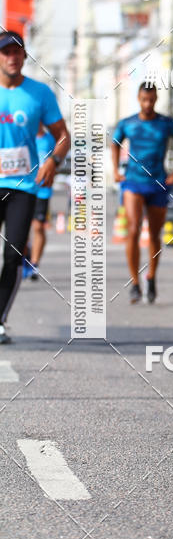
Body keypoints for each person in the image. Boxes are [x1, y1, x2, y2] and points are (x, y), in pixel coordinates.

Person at [0, 30, 70, 343]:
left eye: (17, 52)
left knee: (13, 255)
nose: (12, 57)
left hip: (22, 186)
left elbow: (63, 136)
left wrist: (53, 161)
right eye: (6, 52)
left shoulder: (39, 94)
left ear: (25, 57)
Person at [112, 82, 173, 304]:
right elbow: (114, 142)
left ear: (155, 99)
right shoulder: (128, 123)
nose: (148, 104)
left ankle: (152, 277)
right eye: (144, 100)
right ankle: (135, 283)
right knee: (134, 229)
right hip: (133, 183)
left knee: (155, 235)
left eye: (151, 100)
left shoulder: (166, 123)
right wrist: (116, 170)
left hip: (157, 183)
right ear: (139, 98)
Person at [23, 123, 56, 281]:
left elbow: (58, 158)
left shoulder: (50, 139)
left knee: (37, 226)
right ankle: (25, 254)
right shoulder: (24, 136)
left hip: (42, 190)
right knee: (21, 227)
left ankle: (34, 263)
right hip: (25, 187)